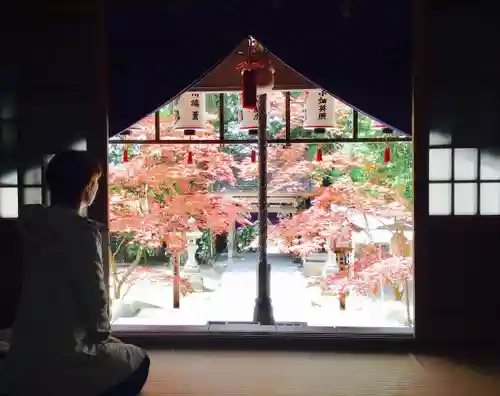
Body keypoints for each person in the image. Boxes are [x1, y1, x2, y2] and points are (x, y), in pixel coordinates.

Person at [4, 150, 150, 396]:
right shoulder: (80, 233)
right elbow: (93, 291)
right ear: (87, 188)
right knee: (140, 360)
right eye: (96, 183)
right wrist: (101, 333)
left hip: (22, 354)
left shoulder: (29, 225)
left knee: (111, 348)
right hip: (65, 356)